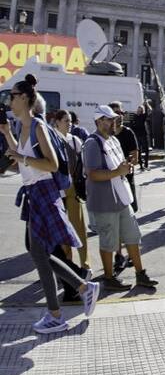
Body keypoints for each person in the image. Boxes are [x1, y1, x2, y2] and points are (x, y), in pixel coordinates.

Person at [2, 77, 99, 333]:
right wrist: (7, 135)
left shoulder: (38, 127)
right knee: (38, 252)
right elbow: (22, 158)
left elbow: (52, 164)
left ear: (24, 98)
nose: (9, 101)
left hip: (44, 193)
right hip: (34, 194)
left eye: (12, 96)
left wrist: (21, 156)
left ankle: (57, 313)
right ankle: (82, 287)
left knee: (40, 253)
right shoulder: (22, 127)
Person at [83, 105, 159, 292]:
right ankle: (109, 278)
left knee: (132, 236)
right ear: (99, 121)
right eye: (109, 119)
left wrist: (127, 166)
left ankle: (140, 274)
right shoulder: (93, 143)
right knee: (108, 242)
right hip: (104, 202)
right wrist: (119, 171)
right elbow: (92, 174)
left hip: (121, 197)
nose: (113, 122)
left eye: (114, 119)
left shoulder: (113, 141)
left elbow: (118, 167)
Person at [51, 110, 90, 277]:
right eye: (66, 120)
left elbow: (83, 165)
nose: (69, 123)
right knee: (62, 232)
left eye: (70, 121)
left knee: (79, 228)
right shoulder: (51, 140)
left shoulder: (75, 141)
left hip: (72, 188)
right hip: (56, 189)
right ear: (57, 122)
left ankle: (85, 265)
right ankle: (67, 268)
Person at [109, 101, 140, 212]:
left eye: (122, 113)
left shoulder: (128, 133)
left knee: (130, 212)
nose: (121, 116)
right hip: (109, 183)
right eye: (117, 113)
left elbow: (135, 159)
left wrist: (125, 165)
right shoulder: (105, 135)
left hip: (125, 180)